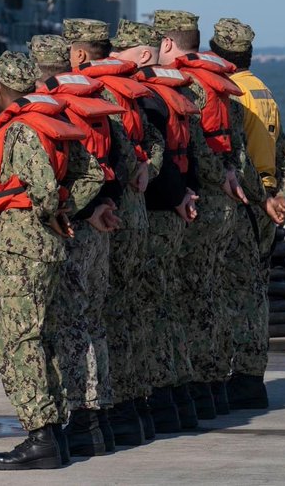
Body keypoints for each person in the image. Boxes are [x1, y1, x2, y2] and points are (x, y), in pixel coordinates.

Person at [0, 52, 87, 470]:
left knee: (14, 344)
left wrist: (49, 210)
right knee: (43, 338)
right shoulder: (50, 123)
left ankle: (39, 437)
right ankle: (54, 433)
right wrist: (63, 211)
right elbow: (82, 176)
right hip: (45, 247)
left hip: (23, 247)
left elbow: (41, 186)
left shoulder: (20, 131)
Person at [65, 22, 166, 445]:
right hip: (134, 209)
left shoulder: (91, 92)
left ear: (79, 57)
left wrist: (78, 208)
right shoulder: (132, 92)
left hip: (105, 217)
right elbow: (145, 150)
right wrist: (150, 171)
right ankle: (134, 411)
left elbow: (98, 165)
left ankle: (97, 416)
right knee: (131, 311)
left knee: (91, 319)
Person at [34, 29, 124, 454]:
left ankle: (82, 421)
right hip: (100, 226)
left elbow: (69, 175)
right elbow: (120, 159)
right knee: (92, 322)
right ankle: (100, 418)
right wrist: (103, 203)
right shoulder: (96, 105)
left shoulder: (59, 110)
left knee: (68, 327)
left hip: (73, 230)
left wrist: (72, 210)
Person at [154, 9, 247, 419]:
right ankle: (212, 390)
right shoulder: (220, 83)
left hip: (197, 204)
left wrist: (201, 184)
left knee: (181, 303)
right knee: (209, 297)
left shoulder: (186, 86)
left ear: (168, 44)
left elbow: (198, 149)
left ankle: (188, 391)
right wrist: (231, 178)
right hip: (223, 204)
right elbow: (232, 148)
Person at [112, 20, 203, 432]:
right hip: (176, 207)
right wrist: (186, 192)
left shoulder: (144, 98)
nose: (112, 58)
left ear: (144, 54)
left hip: (148, 215)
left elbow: (152, 157)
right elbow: (189, 152)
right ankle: (177, 400)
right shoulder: (173, 92)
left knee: (135, 313)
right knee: (168, 306)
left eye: (121, 50)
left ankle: (142, 408)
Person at [211, 18, 285, 410]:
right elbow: (283, 154)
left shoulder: (232, 94)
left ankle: (240, 378)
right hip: (265, 202)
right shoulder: (264, 92)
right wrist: (279, 196)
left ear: (215, 52)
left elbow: (239, 156)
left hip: (246, 203)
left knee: (234, 294)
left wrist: (260, 198)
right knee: (255, 294)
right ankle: (251, 377)